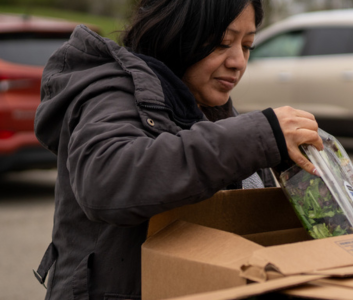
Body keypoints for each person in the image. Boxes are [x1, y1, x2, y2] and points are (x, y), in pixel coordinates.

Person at [32, 1, 323, 299]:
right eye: (223, 43)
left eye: (247, 46)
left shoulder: (213, 109)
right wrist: (260, 135)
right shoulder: (110, 91)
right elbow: (105, 179)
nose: (238, 61)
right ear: (176, 33)